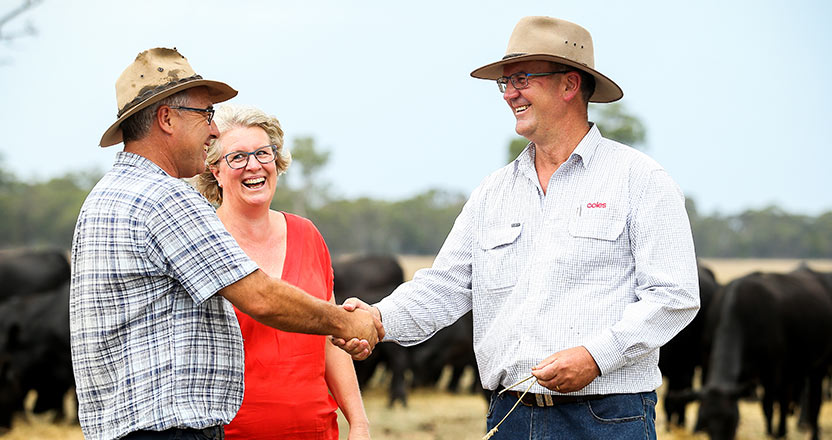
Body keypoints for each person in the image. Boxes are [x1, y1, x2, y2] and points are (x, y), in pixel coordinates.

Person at [336, 16, 699, 439]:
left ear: (569, 85)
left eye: (522, 79)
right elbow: (445, 286)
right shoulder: (493, 192)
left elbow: (675, 296)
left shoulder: (640, 180)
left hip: (607, 417)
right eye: (504, 83)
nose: (509, 93)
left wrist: (595, 357)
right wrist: (379, 319)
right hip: (509, 414)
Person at [70, 47, 381, 440]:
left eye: (262, 153)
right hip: (170, 431)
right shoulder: (167, 198)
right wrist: (350, 322)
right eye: (205, 114)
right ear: (167, 118)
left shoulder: (104, 197)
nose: (213, 130)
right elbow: (262, 298)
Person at [191, 104, 370, 439]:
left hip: (316, 429)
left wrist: (358, 421)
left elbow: (330, 337)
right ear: (214, 169)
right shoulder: (203, 240)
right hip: (227, 433)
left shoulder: (308, 234)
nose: (254, 166)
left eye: (263, 153)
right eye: (237, 157)